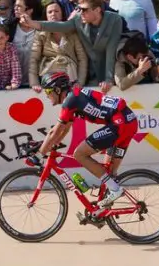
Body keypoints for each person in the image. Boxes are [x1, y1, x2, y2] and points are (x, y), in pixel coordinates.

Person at [35, 71, 137, 208]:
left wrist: (39, 154)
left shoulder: (70, 100)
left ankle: (115, 190)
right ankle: (103, 212)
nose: (46, 95)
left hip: (120, 124)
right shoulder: (74, 96)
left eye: (47, 91)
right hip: (129, 121)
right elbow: (65, 128)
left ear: (58, 90)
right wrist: (53, 144)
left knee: (79, 154)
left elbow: (56, 130)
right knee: (109, 174)